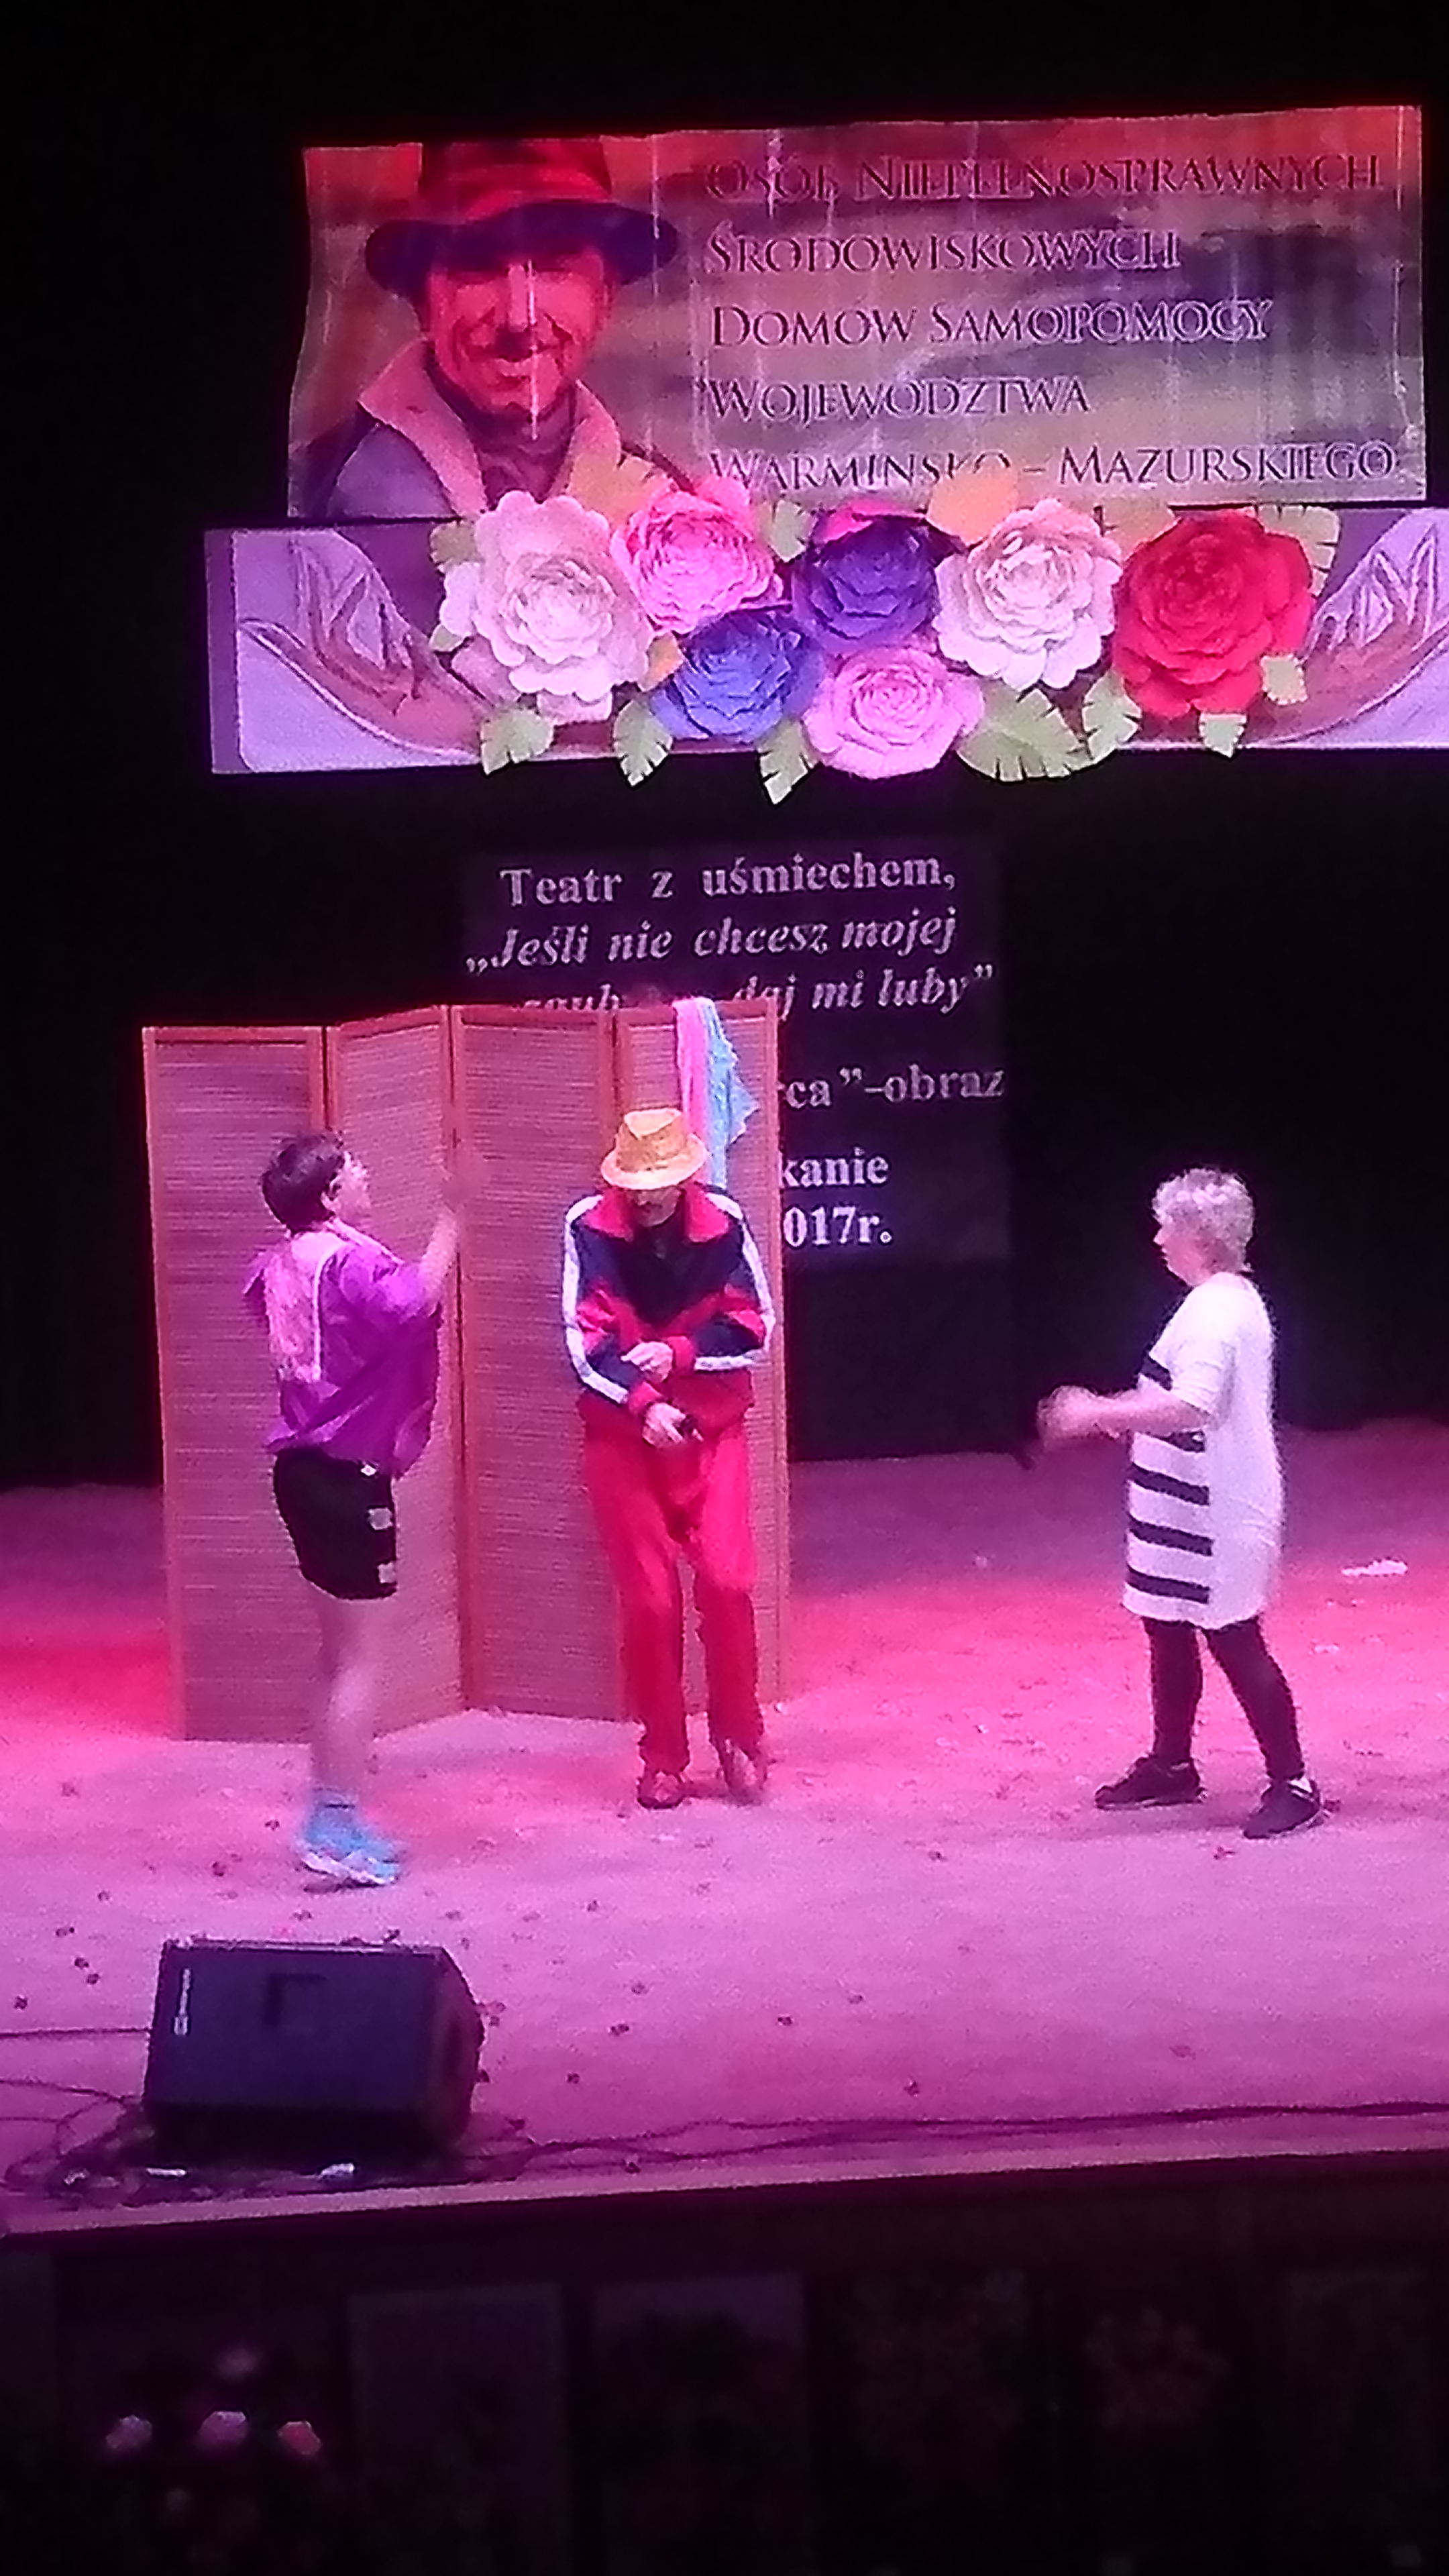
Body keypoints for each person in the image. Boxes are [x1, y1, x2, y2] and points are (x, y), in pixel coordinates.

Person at [1038, 1168, 1323, 1839]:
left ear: (1198, 1236)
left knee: (1234, 1637)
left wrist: (1097, 1412)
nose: (1159, 1238)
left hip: (1215, 1511)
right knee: (1166, 1624)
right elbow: (1179, 1398)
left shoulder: (1215, 1314)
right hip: (1181, 1505)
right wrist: (1120, 1414)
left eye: (1168, 1226)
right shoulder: (1218, 1302)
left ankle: (1295, 1783)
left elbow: (1194, 1405)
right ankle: (1172, 1764)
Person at [244, 1134, 464, 1884]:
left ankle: (332, 1814)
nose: (367, 1170)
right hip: (345, 1478)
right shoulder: (348, 1264)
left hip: (302, 1475)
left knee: (338, 1657)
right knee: (359, 1663)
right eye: (352, 1167)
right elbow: (412, 1302)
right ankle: (333, 1829)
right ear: (331, 1196)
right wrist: (453, 1215)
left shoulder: (282, 1262)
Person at [294, 136, 686, 521]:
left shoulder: (662, 504)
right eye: (477, 265)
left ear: (605, 296)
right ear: (422, 300)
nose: (518, 318)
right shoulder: (311, 490)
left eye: (553, 266)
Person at [562, 1108, 775, 1810]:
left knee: (728, 1583)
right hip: (624, 1440)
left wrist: (680, 1354)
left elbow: (755, 1327)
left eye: (659, 1183)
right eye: (637, 1184)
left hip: (713, 1431)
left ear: (685, 1178)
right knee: (650, 1602)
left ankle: (740, 1737)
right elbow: (582, 1342)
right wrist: (644, 1404)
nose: (647, 1196)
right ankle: (662, 1755)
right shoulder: (587, 1227)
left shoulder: (725, 1222)